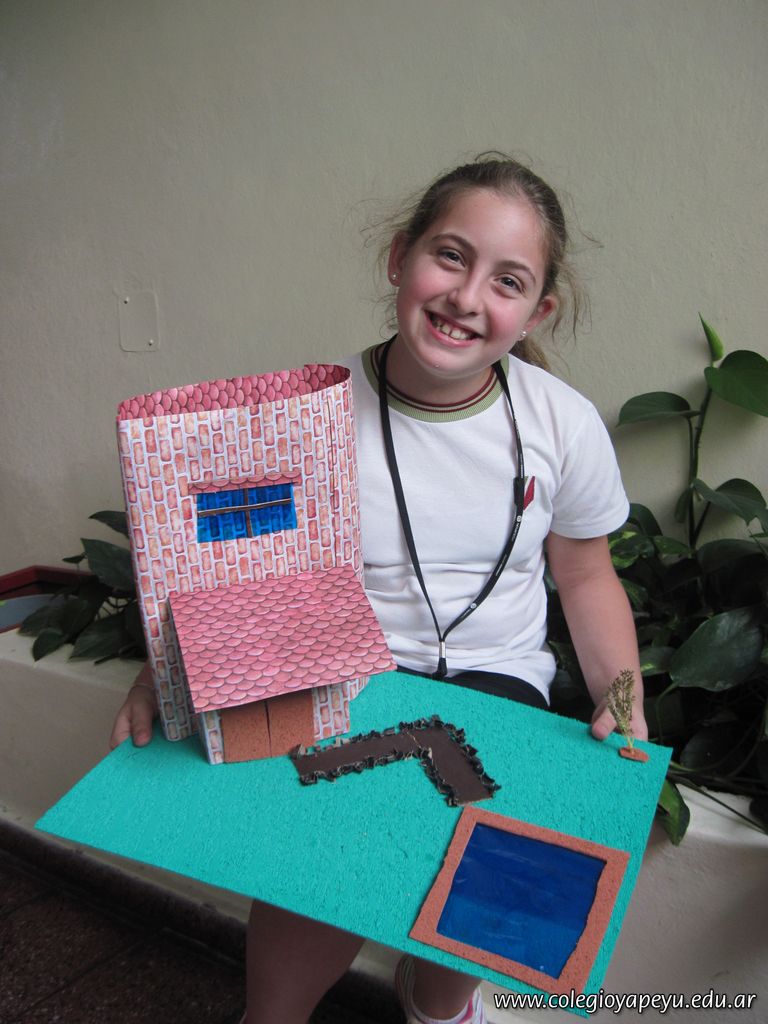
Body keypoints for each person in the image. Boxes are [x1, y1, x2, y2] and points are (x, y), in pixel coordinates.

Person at [111, 155, 647, 1024]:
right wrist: (162, 674)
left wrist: (622, 697)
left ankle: (438, 1004)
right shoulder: (305, 412)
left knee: (489, 874)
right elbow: (232, 568)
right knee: (326, 862)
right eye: (450, 256)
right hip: (346, 675)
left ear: (537, 311)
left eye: (507, 281)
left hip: (500, 680)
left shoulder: (561, 421)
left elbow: (585, 576)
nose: (467, 296)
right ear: (400, 257)